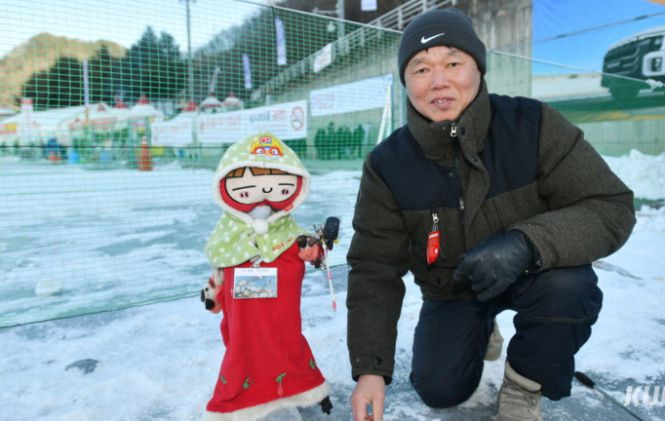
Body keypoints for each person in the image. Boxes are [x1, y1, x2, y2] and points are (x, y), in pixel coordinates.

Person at [346, 8, 636, 421]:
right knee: (438, 388)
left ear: (478, 68)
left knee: (569, 287)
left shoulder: (533, 126)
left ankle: (525, 382)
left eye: (453, 63)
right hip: (453, 288)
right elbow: (373, 266)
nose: (439, 80)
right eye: (421, 68)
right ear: (405, 81)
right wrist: (370, 369)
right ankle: (482, 329)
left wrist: (527, 243)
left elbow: (610, 205)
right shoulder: (387, 164)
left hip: (534, 275)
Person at [201, 132, 333, 420]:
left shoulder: (289, 233)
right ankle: (236, 401)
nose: (262, 196)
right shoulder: (227, 238)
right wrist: (212, 295)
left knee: (289, 348)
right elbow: (219, 267)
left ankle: (302, 389)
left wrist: (317, 248)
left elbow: (308, 250)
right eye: (248, 188)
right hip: (244, 323)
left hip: (282, 318)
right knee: (242, 352)